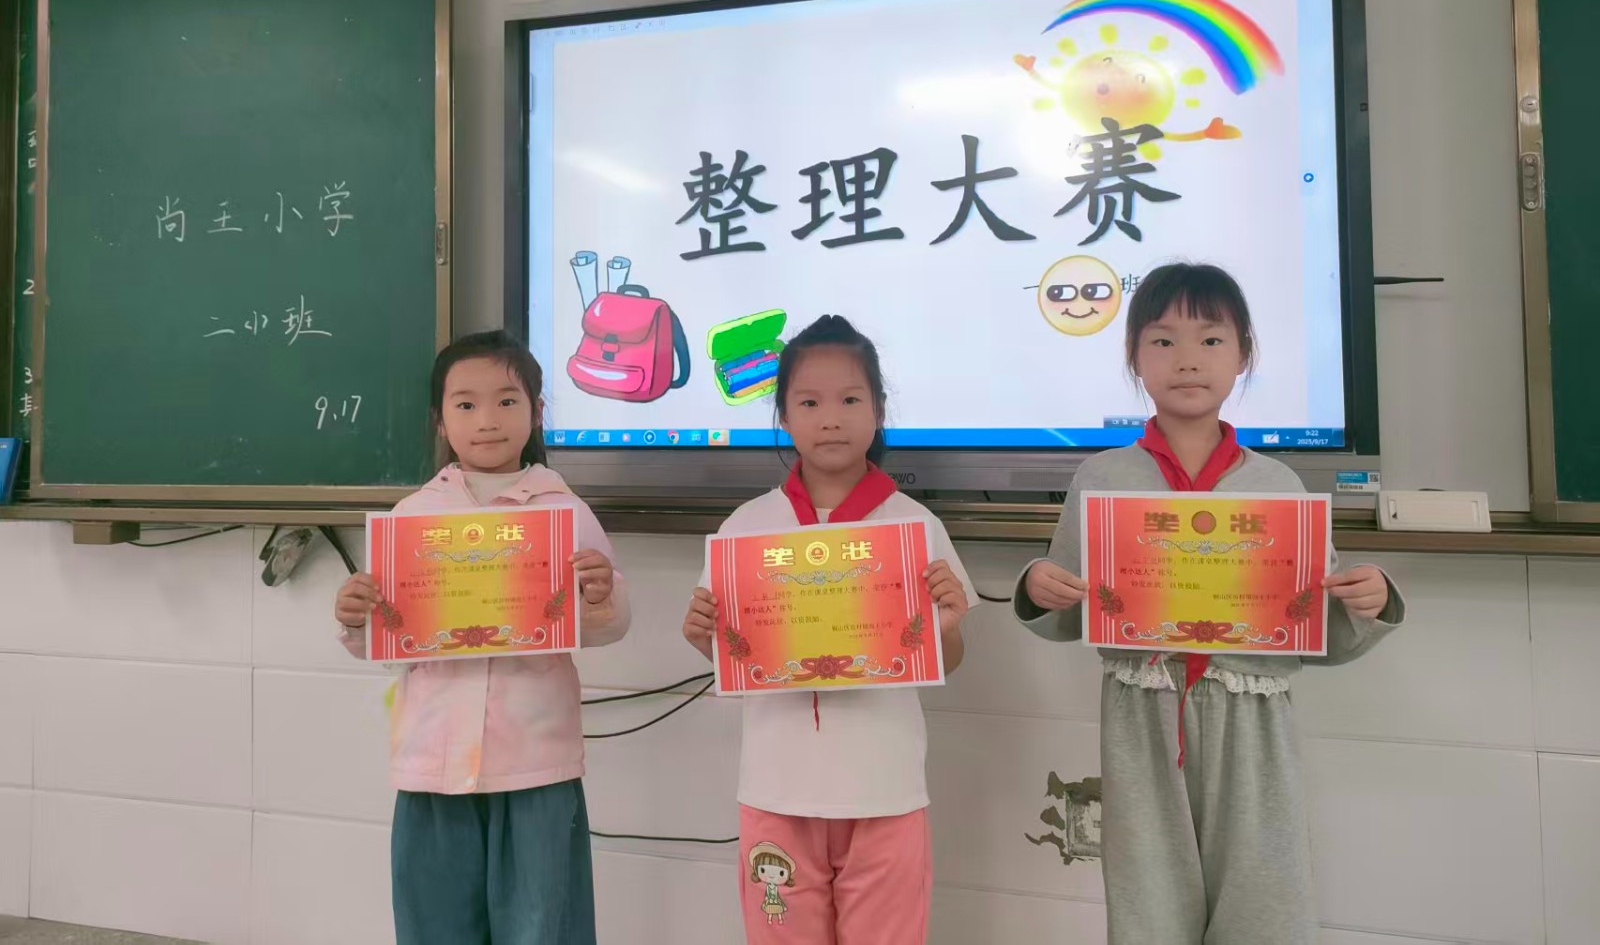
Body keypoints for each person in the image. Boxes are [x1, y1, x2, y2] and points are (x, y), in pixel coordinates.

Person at [1015, 263, 1404, 945]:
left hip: (1251, 715)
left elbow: (1321, 630)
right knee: (1148, 898)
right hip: (1142, 713)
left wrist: (1369, 598)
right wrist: (1038, 586)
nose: (1187, 359)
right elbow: (1071, 604)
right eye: (1163, 341)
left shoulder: (1278, 484)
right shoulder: (1101, 476)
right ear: (1134, 355)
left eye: (1211, 339)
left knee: (1263, 895)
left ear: (1243, 354)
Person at [683, 315, 975, 945]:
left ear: (879, 411)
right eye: (809, 403)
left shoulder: (914, 526)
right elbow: (732, 653)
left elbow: (947, 657)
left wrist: (947, 627)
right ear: (784, 417)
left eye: (850, 400)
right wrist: (703, 635)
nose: (831, 418)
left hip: (885, 790)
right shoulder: (746, 527)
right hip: (776, 790)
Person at [334, 330, 630, 945]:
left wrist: (601, 595)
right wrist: (356, 618)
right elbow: (386, 644)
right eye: (465, 404)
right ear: (440, 421)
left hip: (535, 763)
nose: (487, 419)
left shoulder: (564, 511)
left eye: (507, 401)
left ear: (536, 412)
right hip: (433, 765)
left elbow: (609, 625)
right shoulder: (413, 516)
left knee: (541, 924)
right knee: (436, 925)